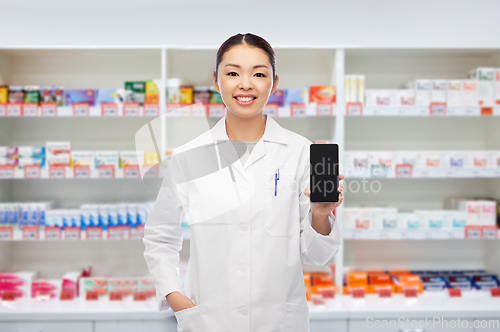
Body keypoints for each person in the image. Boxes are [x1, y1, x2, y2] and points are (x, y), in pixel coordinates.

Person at [143, 32, 343, 332]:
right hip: (209, 320)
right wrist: (174, 296)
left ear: (274, 83)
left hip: (277, 321)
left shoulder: (301, 152)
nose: (245, 84)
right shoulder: (189, 156)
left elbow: (316, 255)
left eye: (259, 74)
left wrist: (320, 215)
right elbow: (160, 236)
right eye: (233, 73)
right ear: (216, 80)